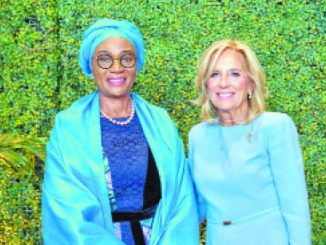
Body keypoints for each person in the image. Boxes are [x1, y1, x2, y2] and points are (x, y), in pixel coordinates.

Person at [42, 18, 199, 245]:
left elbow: (181, 200)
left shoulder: (160, 121)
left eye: (126, 58)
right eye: (104, 59)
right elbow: (65, 209)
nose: (117, 67)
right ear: (90, 65)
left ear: (137, 64)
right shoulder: (68, 126)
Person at [188, 39, 311, 244]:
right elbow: (195, 205)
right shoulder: (198, 136)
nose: (223, 82)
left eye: (234, 74)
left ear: (251, 84)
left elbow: (295, 206)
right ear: (206, 85)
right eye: (215, 74)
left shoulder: (275, 126)